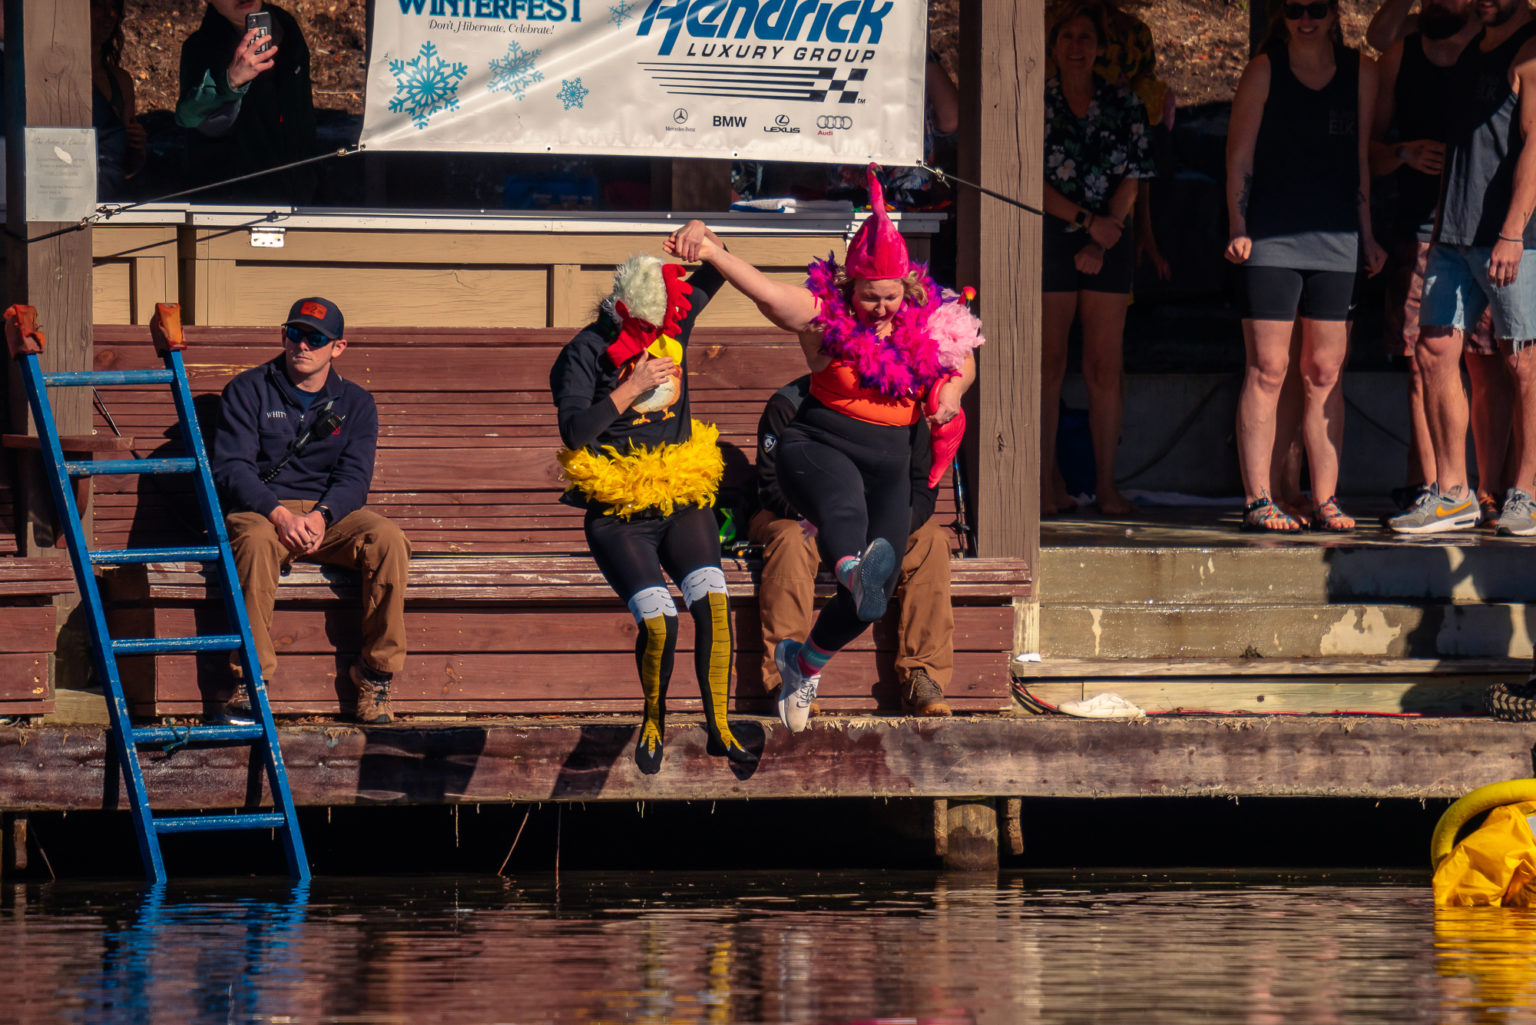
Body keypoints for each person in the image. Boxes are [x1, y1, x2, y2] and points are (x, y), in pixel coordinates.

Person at [670, 167, 981, 733]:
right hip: (819, 445)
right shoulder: (824, 321)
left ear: (906, 288)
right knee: (843, 513)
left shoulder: (931, 322)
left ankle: (804, 661)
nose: (881, 309)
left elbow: (964, 359)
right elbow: (766, 293)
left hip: (889, 468)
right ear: (850, 288)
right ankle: (852, 570)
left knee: (872, 601)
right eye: (869, 297)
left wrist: (953, 394)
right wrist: (714, 251)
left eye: (890, 297)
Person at [549, 222, 753, 774]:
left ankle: (720, 727)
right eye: (646, 322)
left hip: (681, 497)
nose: (659, 331)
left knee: (712, 601)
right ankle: (655, 717)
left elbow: (719, 265)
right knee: (660, 620)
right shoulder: (584, 352)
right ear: (619, 309)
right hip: (619, 514)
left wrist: (702, 235)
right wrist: (630, 387)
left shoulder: (673, 320)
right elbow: (574, 432)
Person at [1225, 0, 1385, 534]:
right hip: (1271, 239)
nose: (1306, 18)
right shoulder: (1264, 69)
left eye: (1317, 7)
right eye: (1295, 9)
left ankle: (1326, 497)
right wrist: (1238, 225)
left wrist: (1367, 236)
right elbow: (1239, 156)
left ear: (1335, 14)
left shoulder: (1362, 72)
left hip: (1337, 240)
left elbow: (1361, 159)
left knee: (1324, 371)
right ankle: (1258, 498)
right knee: (1268, 368)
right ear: (1284, 17)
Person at [211, 298, 411, 724]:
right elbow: (232, 469)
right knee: (253, 541)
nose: (302, 345)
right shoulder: (248, 390)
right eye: (294, 333)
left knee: (388, 539)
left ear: (337, 347)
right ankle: (251, 678)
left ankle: (375, 676)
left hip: (329, 518)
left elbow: (355, 479)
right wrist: (279, 514)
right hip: (263, 512)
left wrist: (322, 516)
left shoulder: (356, 403)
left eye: (315, 338)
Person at [1392, 0, 1536, 536]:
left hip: (1510, 237)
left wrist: (1513, 232)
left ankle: (1528, 493)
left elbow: (1535, 148)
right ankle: (1453, 493)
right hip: (1452, 232)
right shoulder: (1475, 42)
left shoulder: (1530, 52)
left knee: (1522, 361)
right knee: (1433, 350)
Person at [748, 376, 963, 719]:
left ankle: (922, 676)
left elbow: (923, 490)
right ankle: (783, 678)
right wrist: (835, 521)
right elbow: (772, 486)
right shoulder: (789, 403)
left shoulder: (903, 407)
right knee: (791, 540)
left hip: (878, 523)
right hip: (803, 519)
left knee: (932, 541)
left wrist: (885, 530)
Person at [1040, 3, 1156, 518]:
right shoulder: (1037, 103)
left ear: (1101, 48)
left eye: (1086, 37)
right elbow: (1027, 177)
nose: (1076, 46)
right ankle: (1045, 482)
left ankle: (1107, 486)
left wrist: (1104, 235)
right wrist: (1087, 225)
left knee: (1104, 367)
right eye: (1067, 36)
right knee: (1048, 364)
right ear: (1053, 45)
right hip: (1052, 232)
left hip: (1109, 236)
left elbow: (1135, 173)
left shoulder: (1124, 103)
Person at [175, 0, 318, 204]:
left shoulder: (287, 29)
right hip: (232, 202)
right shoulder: (200, 47)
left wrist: (313, 180)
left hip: (299, 195)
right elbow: (187, 116)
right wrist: (230, 81)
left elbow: (303, 115)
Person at [91, 0, 145, 199]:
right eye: (97, 5)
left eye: (114, 7)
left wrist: (137, 147)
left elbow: (124, 165)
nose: (109, 14)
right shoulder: (49, 77)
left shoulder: (120, 81)